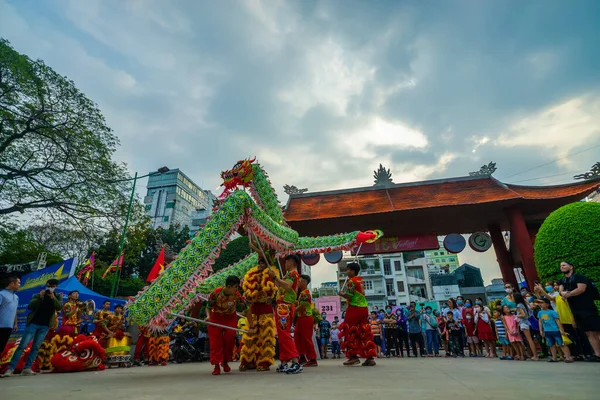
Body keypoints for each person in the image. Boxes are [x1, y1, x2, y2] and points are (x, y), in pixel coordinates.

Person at [2, 279, 62, 378]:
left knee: (36, 347)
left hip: (45, 325)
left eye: (53, 286)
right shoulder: (38, 295)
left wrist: (53, 298)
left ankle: (27, 368)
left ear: (55, 287)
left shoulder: (57, 296)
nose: (51, 287)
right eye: (49, 285)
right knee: (22, 346)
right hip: (33, 323)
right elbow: (30, 306)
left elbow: (59, 307)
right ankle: (10, 369)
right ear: (46, 285)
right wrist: (40, 296)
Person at [206, 275, 253, 375]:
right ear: (228, 287)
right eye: (235, 287)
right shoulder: (216, 293)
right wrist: (208, 316)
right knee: (215, 342)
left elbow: (247, 311)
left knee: (230, 339)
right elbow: (208, 307)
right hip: (216, 317)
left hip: (230, 318)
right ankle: (216, 365)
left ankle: (225, 362)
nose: (237, 289)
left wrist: (251, 327)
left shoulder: (237, 296)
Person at [239, 255, 279, 371]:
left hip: (265, 310)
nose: (261, 265)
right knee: (250, 336)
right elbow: (248, 296)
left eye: (263, 263)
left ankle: (264, 362)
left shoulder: (272, 276)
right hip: (253, 309)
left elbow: (271, 294)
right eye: (260, 263)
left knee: (265, 337)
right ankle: (248, 360)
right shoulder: (252, 276)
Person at [268, 254, 303, 374]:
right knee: (282, 334)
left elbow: (287, 286)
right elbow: (282, 286)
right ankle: (284, 361)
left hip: (284, 307)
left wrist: (275, 278)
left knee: (284, 334)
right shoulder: (289, 275)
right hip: (284, 306)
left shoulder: (293, 274)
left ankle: (295, 361)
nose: (285, 264)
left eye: (287, 261)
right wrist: (275, 279)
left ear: (291, 263)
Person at [337, 262, 377, 366]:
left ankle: (353, 356)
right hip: (364, 308)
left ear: (353, 271)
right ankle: (370, 357)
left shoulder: (351, 281)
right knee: (364, 332)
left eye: (348, 270)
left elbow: (349, 296)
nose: (347, 272)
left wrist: (341, 294)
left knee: (350, 331)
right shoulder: (361, 280)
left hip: (354, 308)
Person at [559, 261, 600, 360]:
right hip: (575, 310)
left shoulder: (579, 276)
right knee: (588, 333)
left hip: (587, 308)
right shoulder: (563, 280)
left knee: (597, 331)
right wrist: (563, 293)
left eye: (564, 265)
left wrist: (568, 294)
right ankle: (597, 354)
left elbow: (581, 289)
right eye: (560, 266)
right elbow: (560, 291)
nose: (562, 267)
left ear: (571, 266)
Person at [537, 298, 573, 363]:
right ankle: (554, 357)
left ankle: (568, 357)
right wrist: (541, 330)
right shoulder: (540, 312)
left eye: (542, 303)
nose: (540, 304)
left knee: (561, 344)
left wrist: (561, 329)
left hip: (555, 330)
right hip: (546, 330)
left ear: (547, 304)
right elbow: (540, 321)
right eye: (539, 303)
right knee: (551, 345)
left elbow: (557, 321)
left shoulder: (552, 312)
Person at [295, 274, 318, 367]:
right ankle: (302, 356)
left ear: (304, 282)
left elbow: (302, 306)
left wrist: (292, 310)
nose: (298, 283)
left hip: (306, 318)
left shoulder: (305, 293)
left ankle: (312, 359)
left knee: (306, 339)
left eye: (300, 281)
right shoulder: (302, 293)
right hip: (301, 318)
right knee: (297, 337)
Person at [513, 292, 538, 361]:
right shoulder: (523, 304)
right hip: (527, 322)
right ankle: (534, 355)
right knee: (530, 339)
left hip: (524, 323)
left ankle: (535, 355)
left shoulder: (519, 305)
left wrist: (516, 316)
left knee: (529, 340)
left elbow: (523, 315)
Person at [0, 277, 20, 355]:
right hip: (0, 325)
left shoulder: (16, 297)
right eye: (18, 283)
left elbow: (14, 311)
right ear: (12, 283)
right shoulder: (1, 294)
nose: (19, 284)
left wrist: (15, 323)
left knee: (2, 347)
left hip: (8, 326)